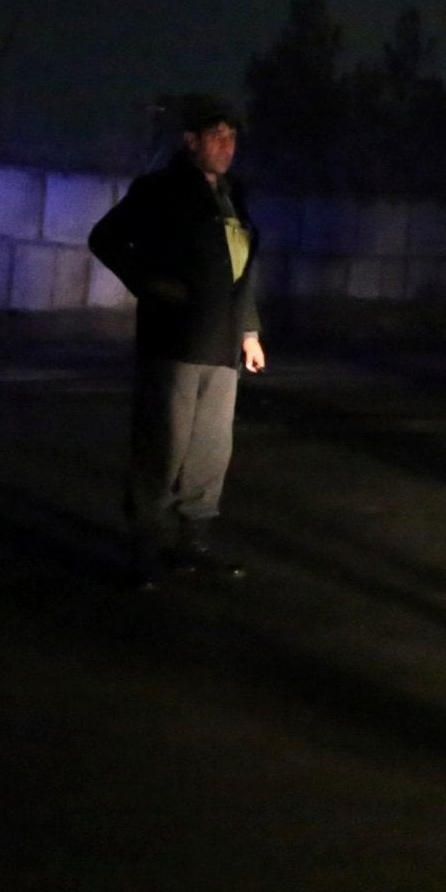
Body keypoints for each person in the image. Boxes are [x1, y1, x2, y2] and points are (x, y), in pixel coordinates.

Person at [89, 104, 265, 588]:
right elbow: (105, 238)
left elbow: (243, 268)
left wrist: (249, 332)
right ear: (191, 141)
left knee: (211, 449)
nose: (228, 146)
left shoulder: (233, 195)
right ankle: (145, 546)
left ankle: (194, 543)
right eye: (217, 136)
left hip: (223, 344)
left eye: (233, 137)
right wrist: (149, 282)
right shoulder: (159, 190)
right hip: (174, 343)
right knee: (161, 447)